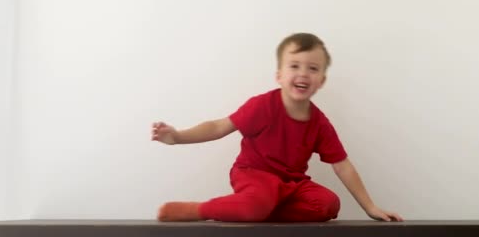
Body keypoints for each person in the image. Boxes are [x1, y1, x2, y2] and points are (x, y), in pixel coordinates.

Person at [152, 32, 403, 222]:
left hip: (291, 184)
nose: (303, 73)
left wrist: (370, 207)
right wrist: (177, 136)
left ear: (321, 81)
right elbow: (219, 126)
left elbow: (342, 165)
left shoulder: (319, 123)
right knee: (258, 201)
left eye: (312, 68)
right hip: (253, 174)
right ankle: (197, 210)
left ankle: (258, 211)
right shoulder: (263, 106)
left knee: (328, 204)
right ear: (279, 75)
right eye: (294, 66)